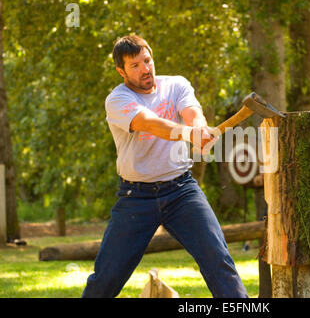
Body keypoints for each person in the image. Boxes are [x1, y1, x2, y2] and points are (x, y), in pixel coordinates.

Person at [82, 35, 248, 298]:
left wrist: (199, 129)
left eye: (147, 61)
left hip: (181, 190)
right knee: (107, 276)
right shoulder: (117, 99)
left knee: (218, 259)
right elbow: (150, 123)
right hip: (136, 197)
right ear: (121, 71)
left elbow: (193, 112)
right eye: (134, 65)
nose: (145, 69)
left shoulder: (176, 84)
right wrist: (188, 134)